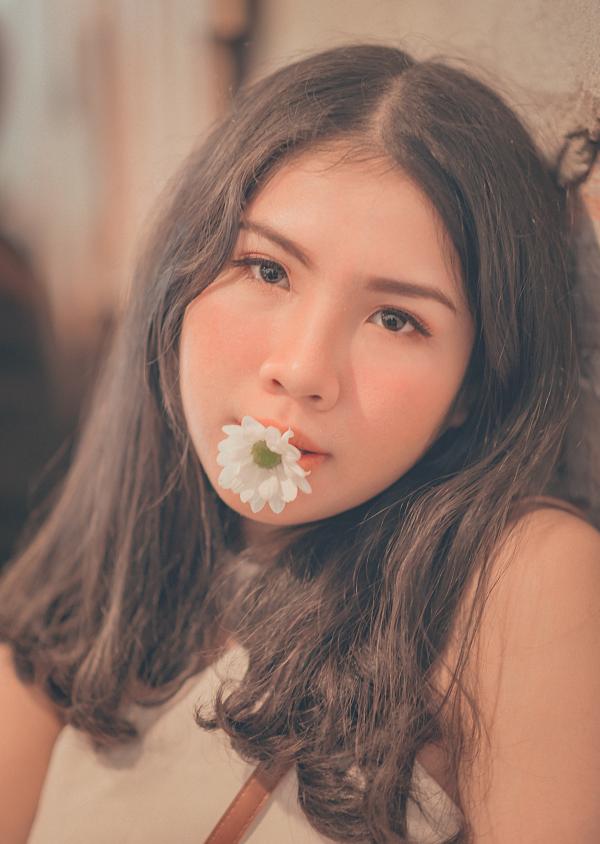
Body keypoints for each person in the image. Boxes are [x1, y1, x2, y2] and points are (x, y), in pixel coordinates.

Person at [1, 43, 599, 844]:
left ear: (472, 391)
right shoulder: (87, 596)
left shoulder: (519, 577)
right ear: (182, 275)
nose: (304, 370)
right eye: (266, 269)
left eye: (397, 319)